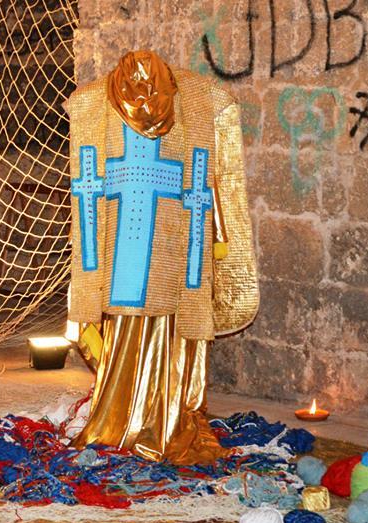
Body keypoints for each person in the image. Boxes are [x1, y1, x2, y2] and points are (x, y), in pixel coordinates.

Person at [65, 50, 259, 465]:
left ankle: (121, 415)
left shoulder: (95, 99)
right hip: (172, 250)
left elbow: (88, 182)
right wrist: (219, 236)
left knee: (125, 331)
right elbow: (212, 171)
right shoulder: (195, 97)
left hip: (123, 251)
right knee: (171, 330)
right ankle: (165, 416)